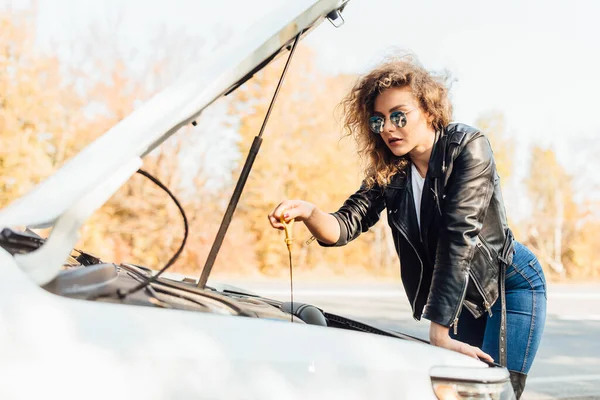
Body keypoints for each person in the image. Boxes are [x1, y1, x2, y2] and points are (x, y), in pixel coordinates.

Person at [267, 56, 546, 398]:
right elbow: (344, 225)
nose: (388, 128)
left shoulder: (467, 148)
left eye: (399, 115)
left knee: (493, 392)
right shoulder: (391, 171)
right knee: (462, 394)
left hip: (510, 284)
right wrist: (308, 212)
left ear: (429, 110)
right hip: (461, 295)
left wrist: (438, 332)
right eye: (378, 120)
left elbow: (460, 239)